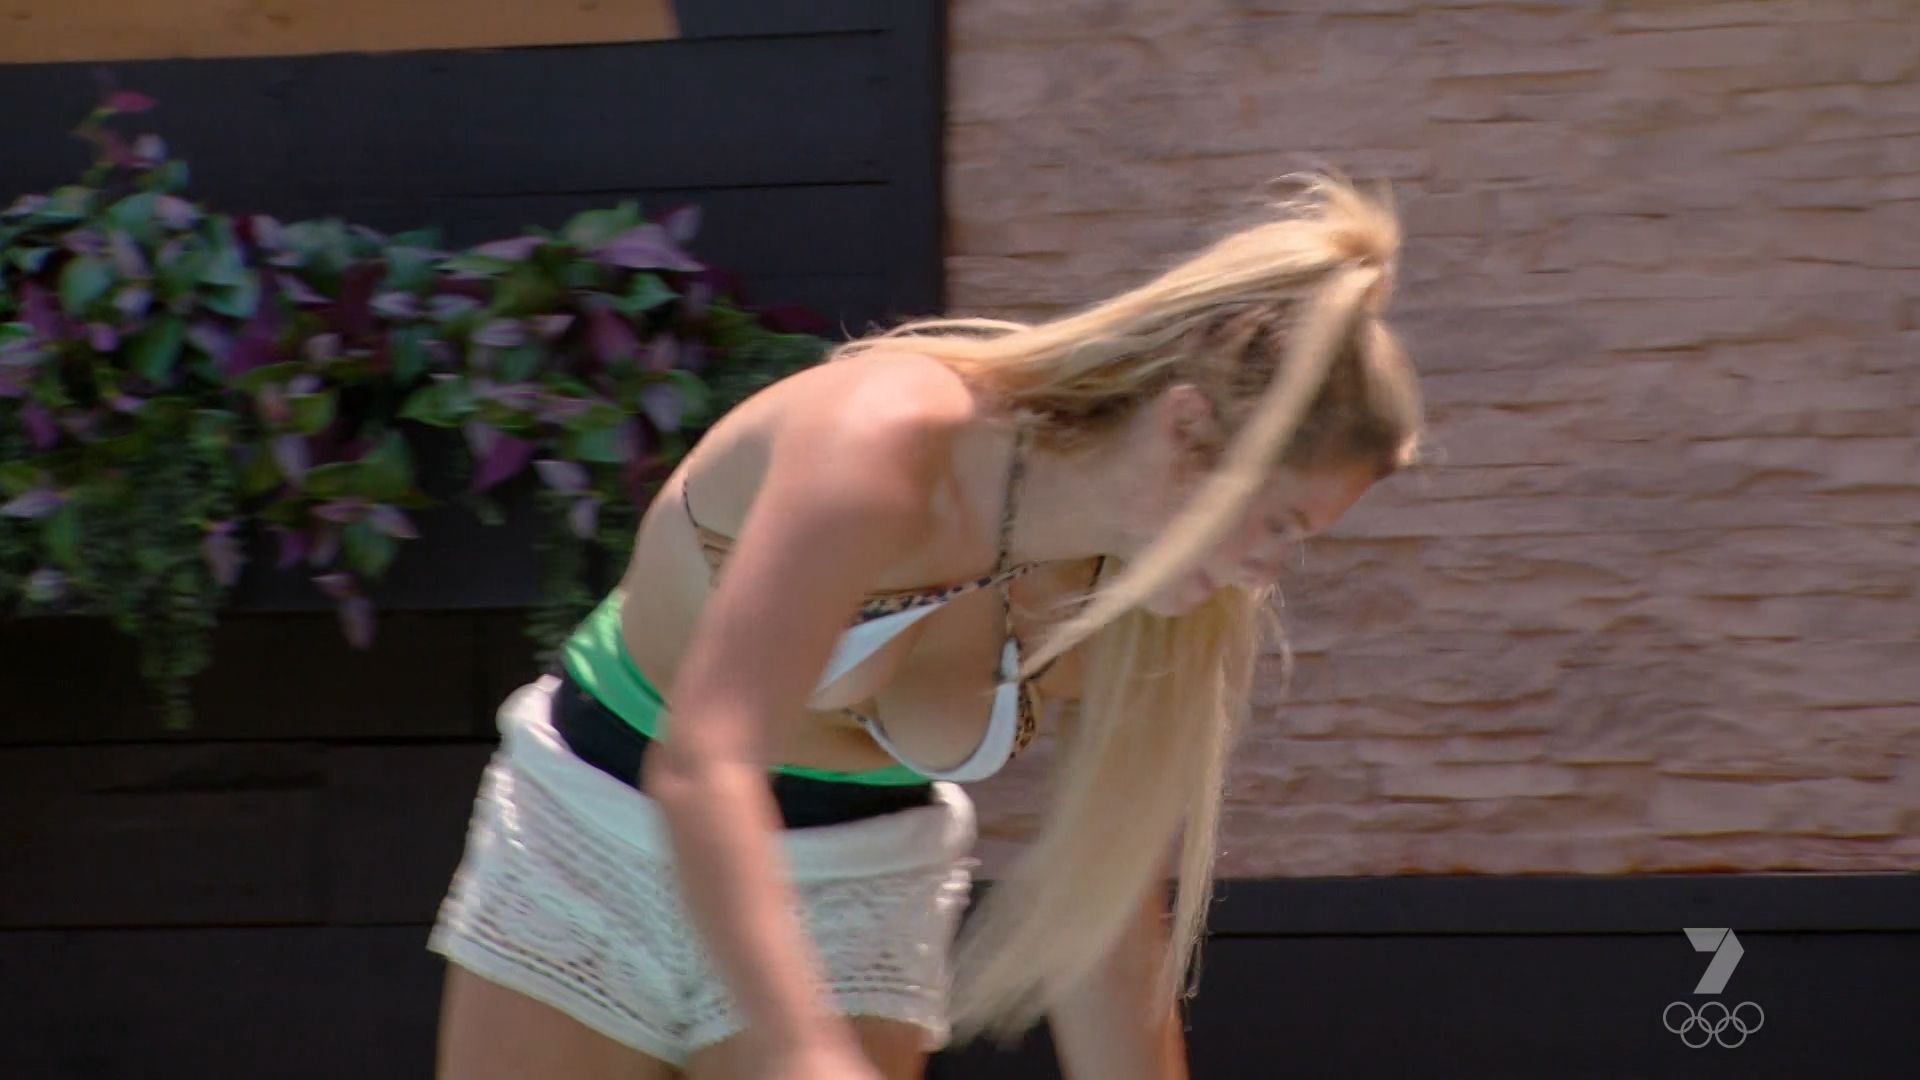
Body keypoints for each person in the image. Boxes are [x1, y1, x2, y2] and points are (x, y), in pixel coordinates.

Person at [428, 175, 1424, 1080]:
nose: (1265, 571)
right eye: (1277, 522)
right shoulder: (888, 439)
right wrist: (805, 1054)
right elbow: (704, 762)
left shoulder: (1161, 608)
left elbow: (1106, 922)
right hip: (601, 822)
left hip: (859, 878)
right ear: (1186, 428)